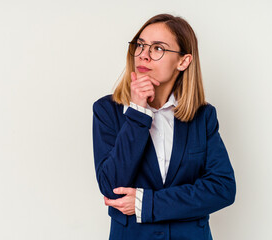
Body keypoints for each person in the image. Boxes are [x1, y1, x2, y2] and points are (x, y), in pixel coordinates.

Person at [92, 13, 236, 240]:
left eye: (158, 48)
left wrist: (148, 203)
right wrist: (138, 113)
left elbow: (222, 188)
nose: (144, 56)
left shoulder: (203, 116)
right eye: (140, 45)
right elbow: (111, 187)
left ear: (183, 61)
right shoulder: (107, 111)